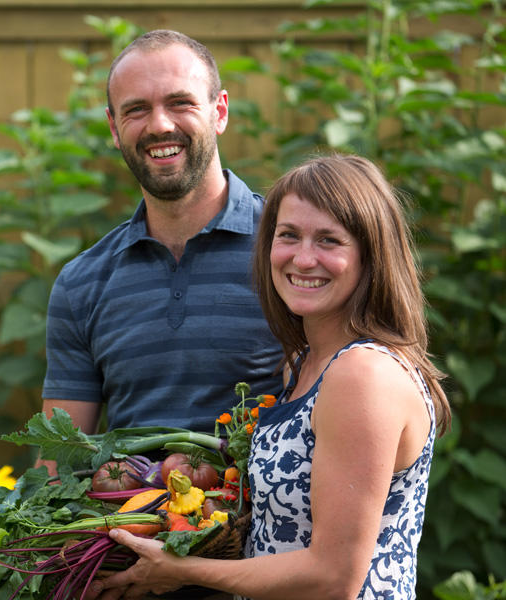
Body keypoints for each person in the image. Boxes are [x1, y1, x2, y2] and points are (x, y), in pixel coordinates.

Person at [85, 153, 452, 600]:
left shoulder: (363, 373)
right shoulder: (304, 363)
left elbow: (333, 578)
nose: (303, 258)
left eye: (329, 240)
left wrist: (183, 570)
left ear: (371, 256)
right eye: (288, 235)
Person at [39, 29, 282, 460]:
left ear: (220, 111)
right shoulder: (82, 284)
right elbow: (60, 465)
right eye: (136, 110)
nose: (160, 125)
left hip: (267, 504)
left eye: (180, 103)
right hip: (129, 504)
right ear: (114, 128)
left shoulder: (289, 253)